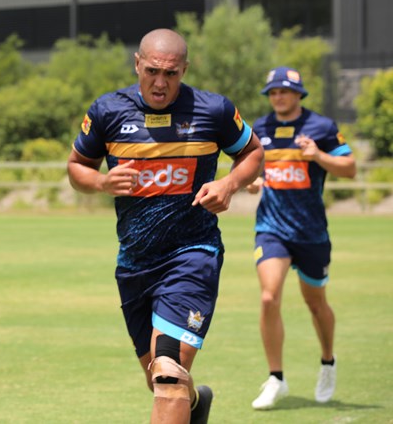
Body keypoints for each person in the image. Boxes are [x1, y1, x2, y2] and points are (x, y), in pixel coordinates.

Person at [66, 28, 264, 424]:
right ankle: (194, 407)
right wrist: (103, 182)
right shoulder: (107, 111)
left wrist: (229, 183)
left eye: (171, 74)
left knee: (168, 373)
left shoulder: (214, 110)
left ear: (184, 70)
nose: (160, 82)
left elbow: (253, 152)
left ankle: (182, 398)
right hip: (135, 264)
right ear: (137, 64)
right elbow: (76, 169)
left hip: (193, 255)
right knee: (161, 380)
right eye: (152, 71)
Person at [247, 67, 355, 410]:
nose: (278, 96)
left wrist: (318, 156)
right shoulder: (259, 130)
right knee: (268, 297)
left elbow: (349, 168)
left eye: (284, 91)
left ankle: (327, 362)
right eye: (273, 92)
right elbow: (250, 171)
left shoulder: (321, 128)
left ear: (298, 94)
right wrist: (252, 182)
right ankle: (276, 378)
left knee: (315, 304)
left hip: (311, 234)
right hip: (271, 229)